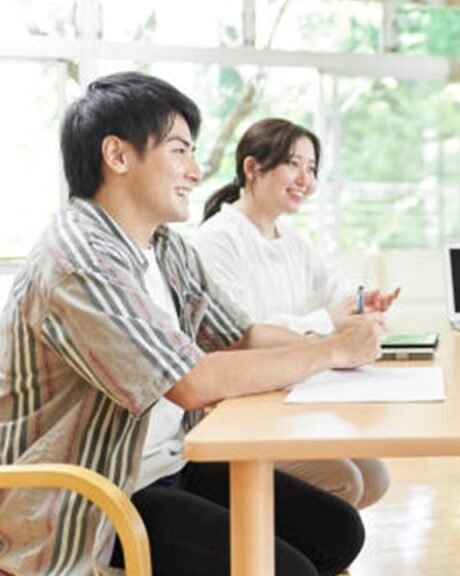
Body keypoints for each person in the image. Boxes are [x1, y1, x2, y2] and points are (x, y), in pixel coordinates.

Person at [0, 72, 381, 576]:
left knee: (337, 531)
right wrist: (329, 353)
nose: (196, 171)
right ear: (117, 156)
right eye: (180, 151)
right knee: (288, 569)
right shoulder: (79, 260)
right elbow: (191, 383)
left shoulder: (164, 246)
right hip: (95, 495)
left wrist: (339, 343)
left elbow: (240, 334)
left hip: (169, 464)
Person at [191, 118, 397, 509]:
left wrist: (359, 304)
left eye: (312, 168)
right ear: (252, 169)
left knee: (374, 476)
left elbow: (332, 293)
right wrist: (329, 324)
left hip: (288, 392)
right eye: (294, 164)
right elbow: (241, 335)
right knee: (345, 482)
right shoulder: (217, 240)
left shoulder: (292, 241)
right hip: (239, 404)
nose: (305, 178)